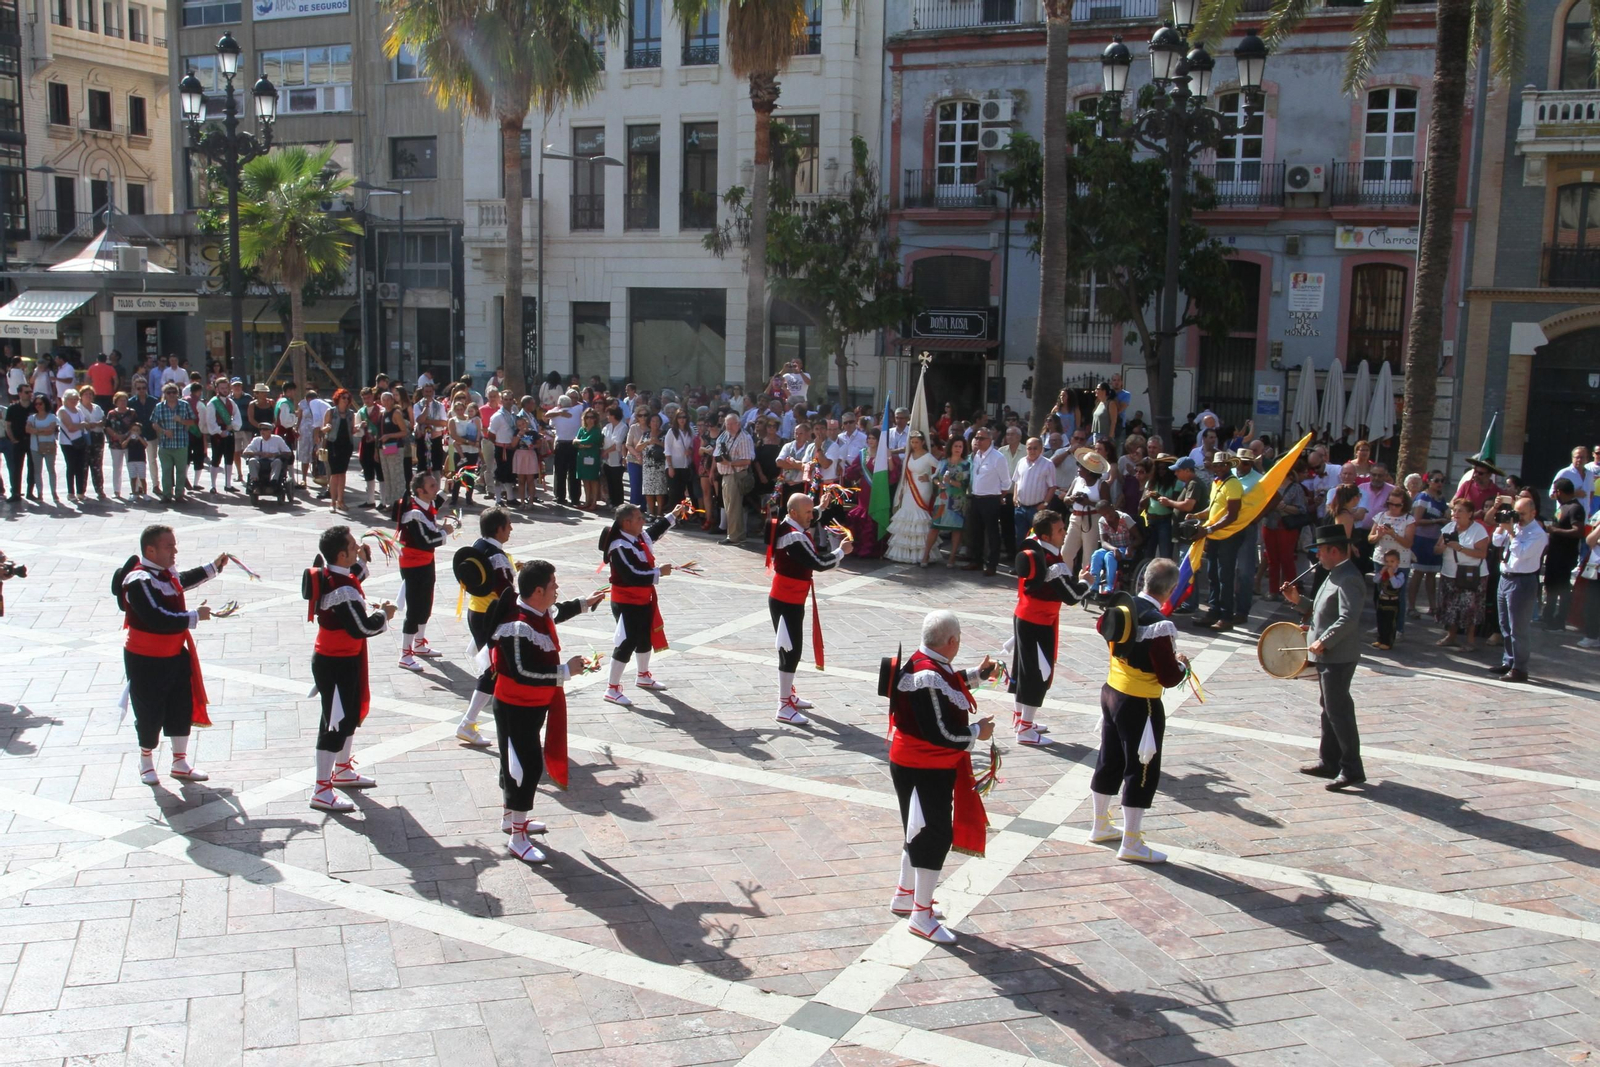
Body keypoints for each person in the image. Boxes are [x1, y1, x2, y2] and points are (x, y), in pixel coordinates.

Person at [884, 610, 997, 944]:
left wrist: (977, 674)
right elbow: (942, 732)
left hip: (916, 763)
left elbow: (949, 682)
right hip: (923, 766)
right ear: (952, 641)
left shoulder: (925, 660)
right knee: (933, 836)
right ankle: (921, 914)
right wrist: (978, 731)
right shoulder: (928, 675)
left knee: (915, 828)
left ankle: (906, 895)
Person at [487, 559, 604, 864]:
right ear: (538, 590)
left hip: (532, 704)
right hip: (515, 706)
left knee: (516, 762)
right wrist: (565, 671)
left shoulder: (537, 611)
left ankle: (511, 819)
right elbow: (522, 671)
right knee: (524, 767)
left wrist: (584, 604)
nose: (557, 589)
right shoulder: (517, 626)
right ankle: (517, 837)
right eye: (553, 585)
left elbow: (556, 612)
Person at [1087, 557, 1188, 862]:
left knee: (1109, 759)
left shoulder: (1122, 608)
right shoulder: (1157, 623)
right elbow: (1169, 677)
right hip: (1140, 702)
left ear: (1144, 580)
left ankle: (1100, 824)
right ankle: (1131, 841)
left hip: (1111, 692)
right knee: (1141, 768)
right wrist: (1183, 664)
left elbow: (1101, 628)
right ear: (1170, 589)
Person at [116, 525, 230, 785]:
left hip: (174, 652)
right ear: (150, 550)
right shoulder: (138, 581)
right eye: (169, 546)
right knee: (149, 711)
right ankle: (145, 761)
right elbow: (156, 617)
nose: (175, 551)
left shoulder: (165, 574)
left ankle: (180, 762)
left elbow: (183, 580)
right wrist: (193, 616)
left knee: (181, 705)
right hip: (146, 659)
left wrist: (214, 567)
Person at [304, 527, 396, 812]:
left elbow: (353, 576)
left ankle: (342, 769)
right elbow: (361, 628)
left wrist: (364, 563)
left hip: (345, 658)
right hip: (335, 661)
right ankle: (321, 788)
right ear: (341, 554)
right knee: (333, 722)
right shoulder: (340, 588)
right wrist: (384, 614)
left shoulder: (336, 575)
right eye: (354, 546)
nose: (359, 547)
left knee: (350, 713)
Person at [1281, 525, 1367, 790]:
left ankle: (1352, 768)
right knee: (1329, 708)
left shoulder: (1349, 577)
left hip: (1338, 655)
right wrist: (1298, 601)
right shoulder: (1333, 574)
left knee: (1339, 711)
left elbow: (1348, 618)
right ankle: (1329, 761)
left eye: (1320, 550)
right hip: (1328, 656)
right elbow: (1321, 610)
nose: (1317, 555)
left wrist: (1324, 640)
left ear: (1333, 550)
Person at [768, 494, 851, 725]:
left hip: (790, 598)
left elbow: (805, 518)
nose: (811, 516)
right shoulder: (794, 538)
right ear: (794, 512)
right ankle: (783, 705)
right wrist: (841, 551)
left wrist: (820, 508)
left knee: (791, 649)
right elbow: (819, 563)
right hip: (786, 600)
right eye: (807, 512)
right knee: (790, 651)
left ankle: (789, 694)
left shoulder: (789, 522)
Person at [1010, 510, 1089, 746]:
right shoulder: (1052, 562)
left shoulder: (1033, 546)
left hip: (1024, 616)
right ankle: (1024, 730)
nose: (1064, 533)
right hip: (1038, 622)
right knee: (1038, 674)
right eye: (1060, 530)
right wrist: (1087, 581)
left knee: (1023, 670)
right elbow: (1072, 596)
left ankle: (1020, 719)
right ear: (1046, 535)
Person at [599, 501, 690, 705]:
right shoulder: (619, 546)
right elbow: (632, 575)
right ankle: (611, 688)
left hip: (642, 598)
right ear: (627, 522)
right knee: (626, 642)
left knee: (644, 637)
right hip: (626, 601)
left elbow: (654, 531)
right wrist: (659, 572)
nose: (643, 520)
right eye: (639, 518)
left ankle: (643, 675)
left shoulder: (637, 537)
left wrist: (673, 514)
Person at [455, 507, 518, 746]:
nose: (511, 528)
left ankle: (502, 719)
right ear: (499, 529)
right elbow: (505, 591)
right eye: (508, 524)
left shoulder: (478, 546)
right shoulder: (498, 557)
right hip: (492, 618)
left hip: (477, 612)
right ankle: (468, 723)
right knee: (494, 670)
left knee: (498, 669)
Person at [395, 472, 449, 672]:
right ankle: (404, 654)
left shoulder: (425, 505)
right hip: (413, 565)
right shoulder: (413, 513)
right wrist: (445, 532)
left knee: (426, 603)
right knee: (415, 608)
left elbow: (434, 507)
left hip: (426, 562)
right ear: (421, 490)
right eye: (432, 486)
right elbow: (425, 542)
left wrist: (446, 490)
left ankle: (419, 644)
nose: (436, 487)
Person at [1491, 495, 1548, 683]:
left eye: (1522, 514)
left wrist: (1513, 534)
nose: (1519, 517)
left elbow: (1522, 553)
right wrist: (1503, 523)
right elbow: (1496, 541)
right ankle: (1509, 661)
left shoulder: (1538, 534)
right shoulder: (1514, 526)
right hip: (1505, 578)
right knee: (1505, 625)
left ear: (1534, 513)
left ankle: (1520, 669)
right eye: (1517, 512)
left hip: (1522, 582)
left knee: (1518, 629)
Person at [1196, 452, 1245, 632]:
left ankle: (1226, 616)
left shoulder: (1233, 484)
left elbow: (1232, 514)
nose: (1218, 468)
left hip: (1228, 536)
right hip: (1215, 535)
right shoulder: (1217, 482)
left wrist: (1209, 529)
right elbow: (1213, 507)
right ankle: (1213, 610)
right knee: (1212, 574)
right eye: (1216, 465)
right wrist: (1198, 515)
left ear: (1228, 466)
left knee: (1225, 576)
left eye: (1222, 465)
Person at [1436, 499, 1490, 650]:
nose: (1455, 514)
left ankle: (1470, 640)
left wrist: (1460, 548)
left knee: (1470, 608)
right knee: (1450, 606)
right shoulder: (1449, 527)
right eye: (1454, 510)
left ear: (1470, 514)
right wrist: (1442, 547)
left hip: (1471, 574)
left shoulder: (1478, 530)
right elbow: (1436, 549)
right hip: (1449, 573)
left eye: (1460, 511)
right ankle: (1451, 636)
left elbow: (1482, 553)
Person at [962, 427, 1012, 576]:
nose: (977, 441)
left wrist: (998, 496)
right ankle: (976, 560)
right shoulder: (976, 455)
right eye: (976, 438)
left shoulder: (998, 457)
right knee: (975, 532)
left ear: (990, 440)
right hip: (976, 498)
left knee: (992, 533)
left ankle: (992, 564)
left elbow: (1006, 482)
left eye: (981, 438)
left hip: (990, 499)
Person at [887, 432, 937, 566]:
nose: (914, 445)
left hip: (922, 488)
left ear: (923, 442)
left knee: (919, 517)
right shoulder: (909, 455)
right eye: (912, 442)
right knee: (906, 515)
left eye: (916, 442)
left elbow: (941, 469)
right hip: (909, 488)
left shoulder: (928, 457)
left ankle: (922, 554)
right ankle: (904, 552)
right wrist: (902, 489)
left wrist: (930, 478)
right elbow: (905, 473)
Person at [1543, 478, 1586, 630]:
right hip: (1554, 555)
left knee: (1562, 588)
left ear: (1559, 491)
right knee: (1550, 586)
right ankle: (1547, 616)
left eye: (1555, 491)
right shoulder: (1562, 507)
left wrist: (1554, 530)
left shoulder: (1575, 508)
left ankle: (1560, 619)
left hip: (1565, 557)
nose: (1554, 494)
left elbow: (1578, 531)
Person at [926, 435, 970, 567]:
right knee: (934, 527)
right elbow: (934, 477)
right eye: (955, 446)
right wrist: (939, 483)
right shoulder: (943, 462)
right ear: (951, 447)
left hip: (957, 501)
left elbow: (964, 484)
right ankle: (925, 555)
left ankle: (951, 558)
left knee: (956, 530)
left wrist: (950, 481)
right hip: (942, 500)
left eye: (960, 446)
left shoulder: (966, 464)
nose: (958, 449)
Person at [1409, 471, 1448, 618]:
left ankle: (1433, 606)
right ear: (1429, 481)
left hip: (1435, 539)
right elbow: (1416, 520)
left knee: (1432, 574)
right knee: (1418, 573)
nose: (1439, 483)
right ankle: (1411, 606)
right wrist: (1436, 521)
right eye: (1436, 480)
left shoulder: (1441, 498)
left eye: (1442, 480)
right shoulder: (1423, 497)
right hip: (1421, 539)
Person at [150, 382, 196, 503]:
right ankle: (166, 494)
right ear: (164, 394)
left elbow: (193, 421)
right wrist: (163, 431)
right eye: (168, 392)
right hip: (165, 445)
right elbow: (154, 423)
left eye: (174, 392)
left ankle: (179, 494)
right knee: (166, 470)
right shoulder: (159, 407)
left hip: (181, 444)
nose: (171, 395)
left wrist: (181, 420)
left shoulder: (184, 405)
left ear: (178, 393)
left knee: (181, 471)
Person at [1010, 437, 1058, 553]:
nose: (1032, 451)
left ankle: (1036, 566)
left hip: (1037, 509)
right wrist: (1015, 497)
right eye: (1029, 448)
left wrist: (1045, 504)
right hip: (1020, 508)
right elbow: (1017, 481)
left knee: (1037, 539)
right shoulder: (1021, 462)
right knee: (1021, 538)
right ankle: (1021, 566)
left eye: (1035, 448)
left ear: (1041, 449)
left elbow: (1052, 486)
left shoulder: (1048, 464)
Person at [714, 412, 755, 544]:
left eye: (732, 424)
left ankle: (734, 536)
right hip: (725, 475)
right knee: (729, 506)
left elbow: (747, 460)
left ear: (739, 424)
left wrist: (729, 463)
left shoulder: (744, 438)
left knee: (733, 507)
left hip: (736, 474)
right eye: (727, 424)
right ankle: (737, 534)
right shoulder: (724, 435)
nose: (730, 427)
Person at [1088, 501, 1138, 595]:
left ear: (1112, 507)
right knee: (1096, 554)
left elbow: (1139, 538)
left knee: (1110, 556)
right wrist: (1114, 549)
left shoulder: (1125, 518)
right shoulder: (1102, 521)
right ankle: (1093, 586)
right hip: (1112, 547)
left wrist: (1131, 547)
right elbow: (1103, 542)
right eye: (1104, 514)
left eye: (1108, 512)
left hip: (1126, 548)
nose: (1107, 516)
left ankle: (1109, 587)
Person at [321, 389, 357, 512]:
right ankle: (332, 502)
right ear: (338, 398)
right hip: (333, 445)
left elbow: (352, 430)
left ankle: (341, 501)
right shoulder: (331, 412)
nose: (346, 400)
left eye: (347, 398)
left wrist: (359, 427)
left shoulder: (351, 413)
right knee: (335, 473)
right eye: (343, 398)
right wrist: (327, 427)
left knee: (342, 473)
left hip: (346, 445)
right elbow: (323, 429)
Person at [55, 388, 89, 504]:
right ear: (66, 400)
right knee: (71, 466)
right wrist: (81, 425)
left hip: (79, 441)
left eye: (76, 399)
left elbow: (82, 425)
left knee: (80, 466)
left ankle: (81, 491)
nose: (74, 401)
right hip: (67, 442)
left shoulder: (79, 410)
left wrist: (81, 425)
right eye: (71, 399)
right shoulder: (62, 411)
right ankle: (70, 492)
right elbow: (70, 427)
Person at [546, 395, 582, 506]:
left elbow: (547, 416)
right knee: (574, 472)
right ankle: (575, 497)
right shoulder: (576, 410)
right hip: (574, 444)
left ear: (559, 404)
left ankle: (560, 496)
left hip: (561, 444)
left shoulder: (555, 413)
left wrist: (559, 412)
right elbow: (582, 404)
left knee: (560, 472)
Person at [25, 391, 60, 504]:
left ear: (45, 404)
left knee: (51, 470)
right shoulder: (32, 417)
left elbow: (50, 430)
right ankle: (39, 492)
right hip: (35, 447)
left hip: (49, 445)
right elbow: (28, 429)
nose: (38, 406)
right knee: (37, 471)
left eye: (40, 403)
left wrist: (36, 431)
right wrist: (42, 430)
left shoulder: (52, 417)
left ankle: (54, 492)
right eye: (36, 404)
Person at [242, 422, 293, 490]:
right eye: (261, 429)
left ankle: (273, 482)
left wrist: (274, 454)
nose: (262, 431)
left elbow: (288, 452)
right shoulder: (256, 440)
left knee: (278, 461)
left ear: (270, 431)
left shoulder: (277, 439)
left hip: (273, 461)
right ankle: (255, 482)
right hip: (260, 462)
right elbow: (245, 452)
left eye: (265, 429)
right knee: (252, 461)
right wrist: (258, 453)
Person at [1372, 549, 1406, 650]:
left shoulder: (1400, 574)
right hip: (1383, 600)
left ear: (1398, 562)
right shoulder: (1383, 572)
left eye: (1392, 561)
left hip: (1392, 602)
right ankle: (1380, 639)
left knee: (1389, 623)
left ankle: (1388, 642)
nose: (1389, 564)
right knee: (1381, 621)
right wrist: (1381, 572)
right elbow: (1375, 580)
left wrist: (1391, 575)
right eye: (1387, 562)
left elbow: (1396, 585)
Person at [78, 384, 107, 501]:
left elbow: (104, 419)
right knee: (83, 465)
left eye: (90, 394)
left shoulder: (97, 408)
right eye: (86, 394)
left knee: (97, 465)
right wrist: (87, 424)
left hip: (98, 436)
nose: (89, 396)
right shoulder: (78, 408)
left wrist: (100, 423)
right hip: (85, 437)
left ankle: (99, 489)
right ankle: (81, 491)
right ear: (81, 396)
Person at [602, 404, 629, 507]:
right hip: (607, 460)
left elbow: (618, 444)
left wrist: (606, 451)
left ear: (614, 415)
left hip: (617, 459)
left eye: (609, 414)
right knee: (609, 481)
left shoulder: (623, 427)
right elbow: (603, 440)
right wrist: (603, 451)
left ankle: (619, 503)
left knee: (617, 482)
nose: (607, 416)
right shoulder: (607, 427)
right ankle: (612, 502)